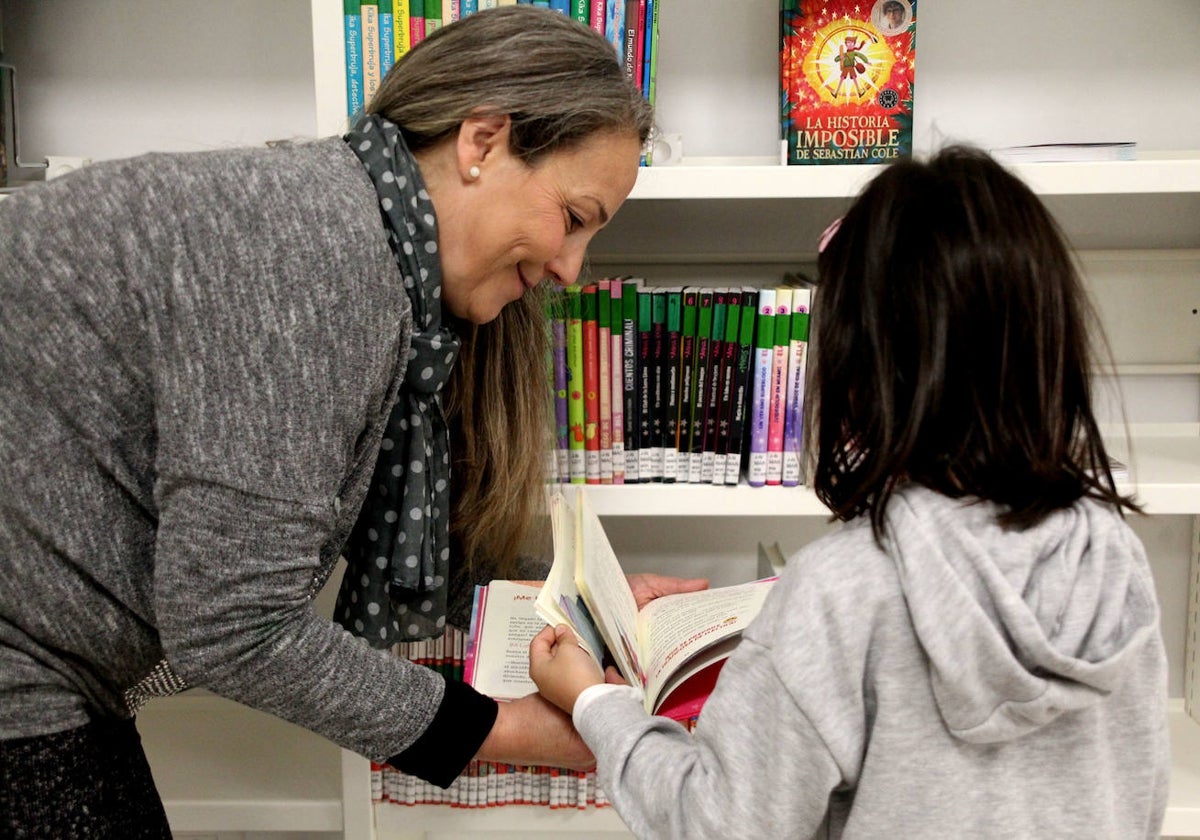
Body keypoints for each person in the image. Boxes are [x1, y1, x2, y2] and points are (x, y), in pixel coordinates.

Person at [0, 7, 705, 836]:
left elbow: (306, 554)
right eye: (576, 218)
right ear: (481, 142)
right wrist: (511, 733)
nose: (570, 268)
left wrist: (583, 607)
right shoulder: (316, 254)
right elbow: (233, 626)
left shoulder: (357, 236)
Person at [530, 145, 1170, 839]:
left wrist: (596, 702)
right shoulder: (1112, 557)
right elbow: (1140, 795)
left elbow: (719, 824)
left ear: (854, 359)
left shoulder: (843, 589)